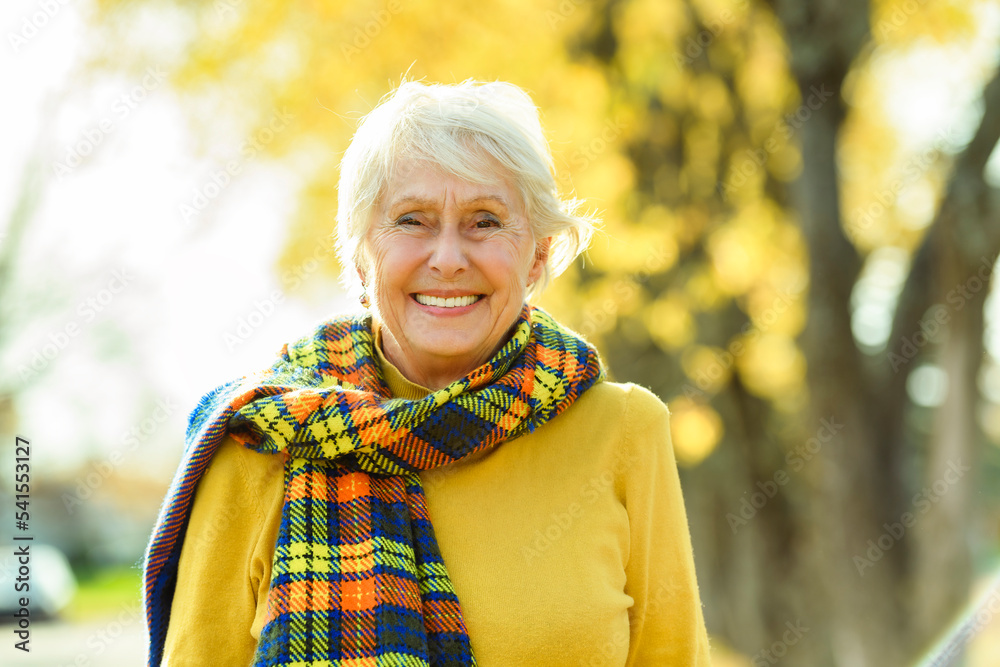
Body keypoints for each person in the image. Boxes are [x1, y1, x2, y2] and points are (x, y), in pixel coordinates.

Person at [143, 79, 710, 666]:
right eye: (411, 220)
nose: (446, 258)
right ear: (362, 252)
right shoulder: (260, 442)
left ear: (537, 253)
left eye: (485, 221)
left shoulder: (624, 431)